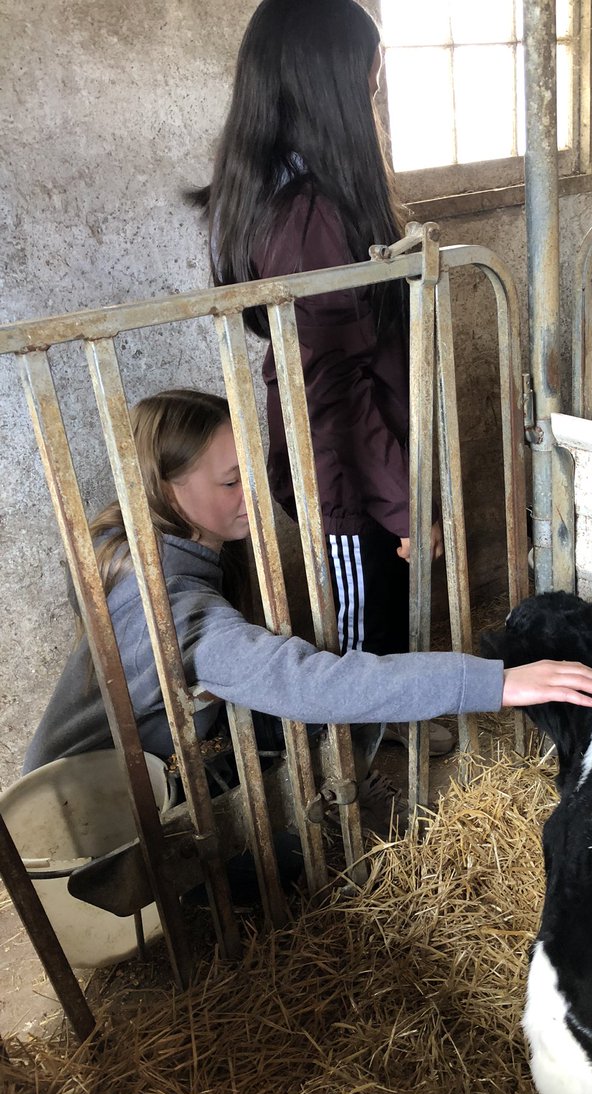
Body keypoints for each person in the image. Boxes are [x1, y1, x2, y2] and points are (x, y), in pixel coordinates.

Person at [24, 390, 592, 839]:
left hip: (145, 765)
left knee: (321, 706)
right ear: (165, 490)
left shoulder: (141, 545)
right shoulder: (167, 602)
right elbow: (301, 680)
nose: (254, 495)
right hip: (89, 822)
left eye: (251, 473)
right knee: (302, 798)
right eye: (233, 482)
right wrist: (498, 682)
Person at [189, 0, 453, 764]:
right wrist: (406, 507)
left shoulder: (299, 192)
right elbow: (332, 386)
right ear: (330, 82)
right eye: (368, 67)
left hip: (362, 462)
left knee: (390, 613)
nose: (376, 79)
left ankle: (395, 728)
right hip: (343, 478)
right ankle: (359, 774)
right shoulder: (308, 216)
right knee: (362, 632)